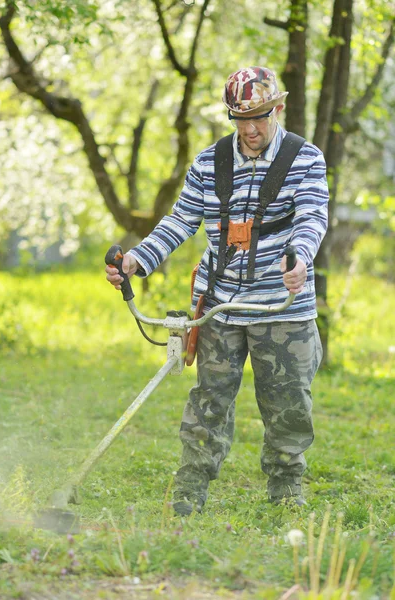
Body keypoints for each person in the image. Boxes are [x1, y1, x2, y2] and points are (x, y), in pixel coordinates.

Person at [106, 66, 328, 515]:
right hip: (221, 307)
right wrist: (137, 259)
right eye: (240, 119)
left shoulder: (306, 159)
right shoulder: (210, 162)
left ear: (278, 109)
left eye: (260, 117)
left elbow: (312, 218)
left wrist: (300, 259)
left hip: (282, 306)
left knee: (288, 407)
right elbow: (181, 220)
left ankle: (286, 490)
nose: (250, 129)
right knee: (209, 400)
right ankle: (190, 488)